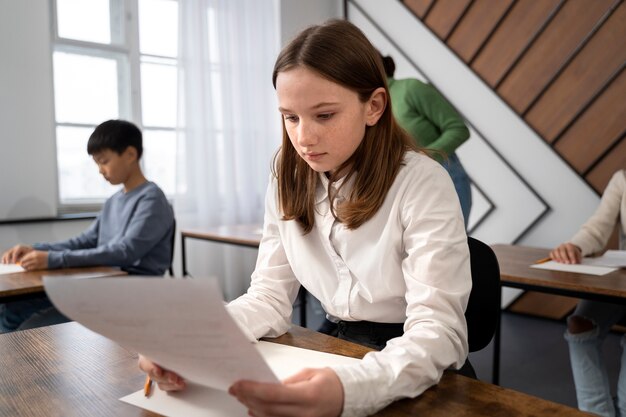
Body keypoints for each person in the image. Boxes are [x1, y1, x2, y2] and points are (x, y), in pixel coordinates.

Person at [139, 19, 471, 417]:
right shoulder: (288, 172)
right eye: (290, 117)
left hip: (411, 362)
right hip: (335, 346)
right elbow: (268, 297)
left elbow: (440, 332)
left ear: (374, 106)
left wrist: (351, 389)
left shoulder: (421, 181)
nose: (304, 138)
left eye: (324, 115)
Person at [0, 119, 174, 332]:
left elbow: (125, 252)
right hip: (103, 282)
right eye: (97, 163)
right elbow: (86, 241)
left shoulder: (152, 199)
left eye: (104, 161)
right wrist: (36, 249)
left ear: (130, 154)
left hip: (132, 291)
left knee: (26, 320)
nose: (100, 170)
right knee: (11, 308)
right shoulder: (114, 201)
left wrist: (53, 259)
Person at [550, 169, 626, 417]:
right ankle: (595, 413)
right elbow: (597, 228)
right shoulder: (622, 178)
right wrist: (574, 245)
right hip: (621, 281)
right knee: (580, 323)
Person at [379, 53, 472, 227]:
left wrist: (422, 157)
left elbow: (458, 129)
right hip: (408, 192)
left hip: (445, 179)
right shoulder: (363, 109)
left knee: (454, 249)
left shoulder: (411, 88)